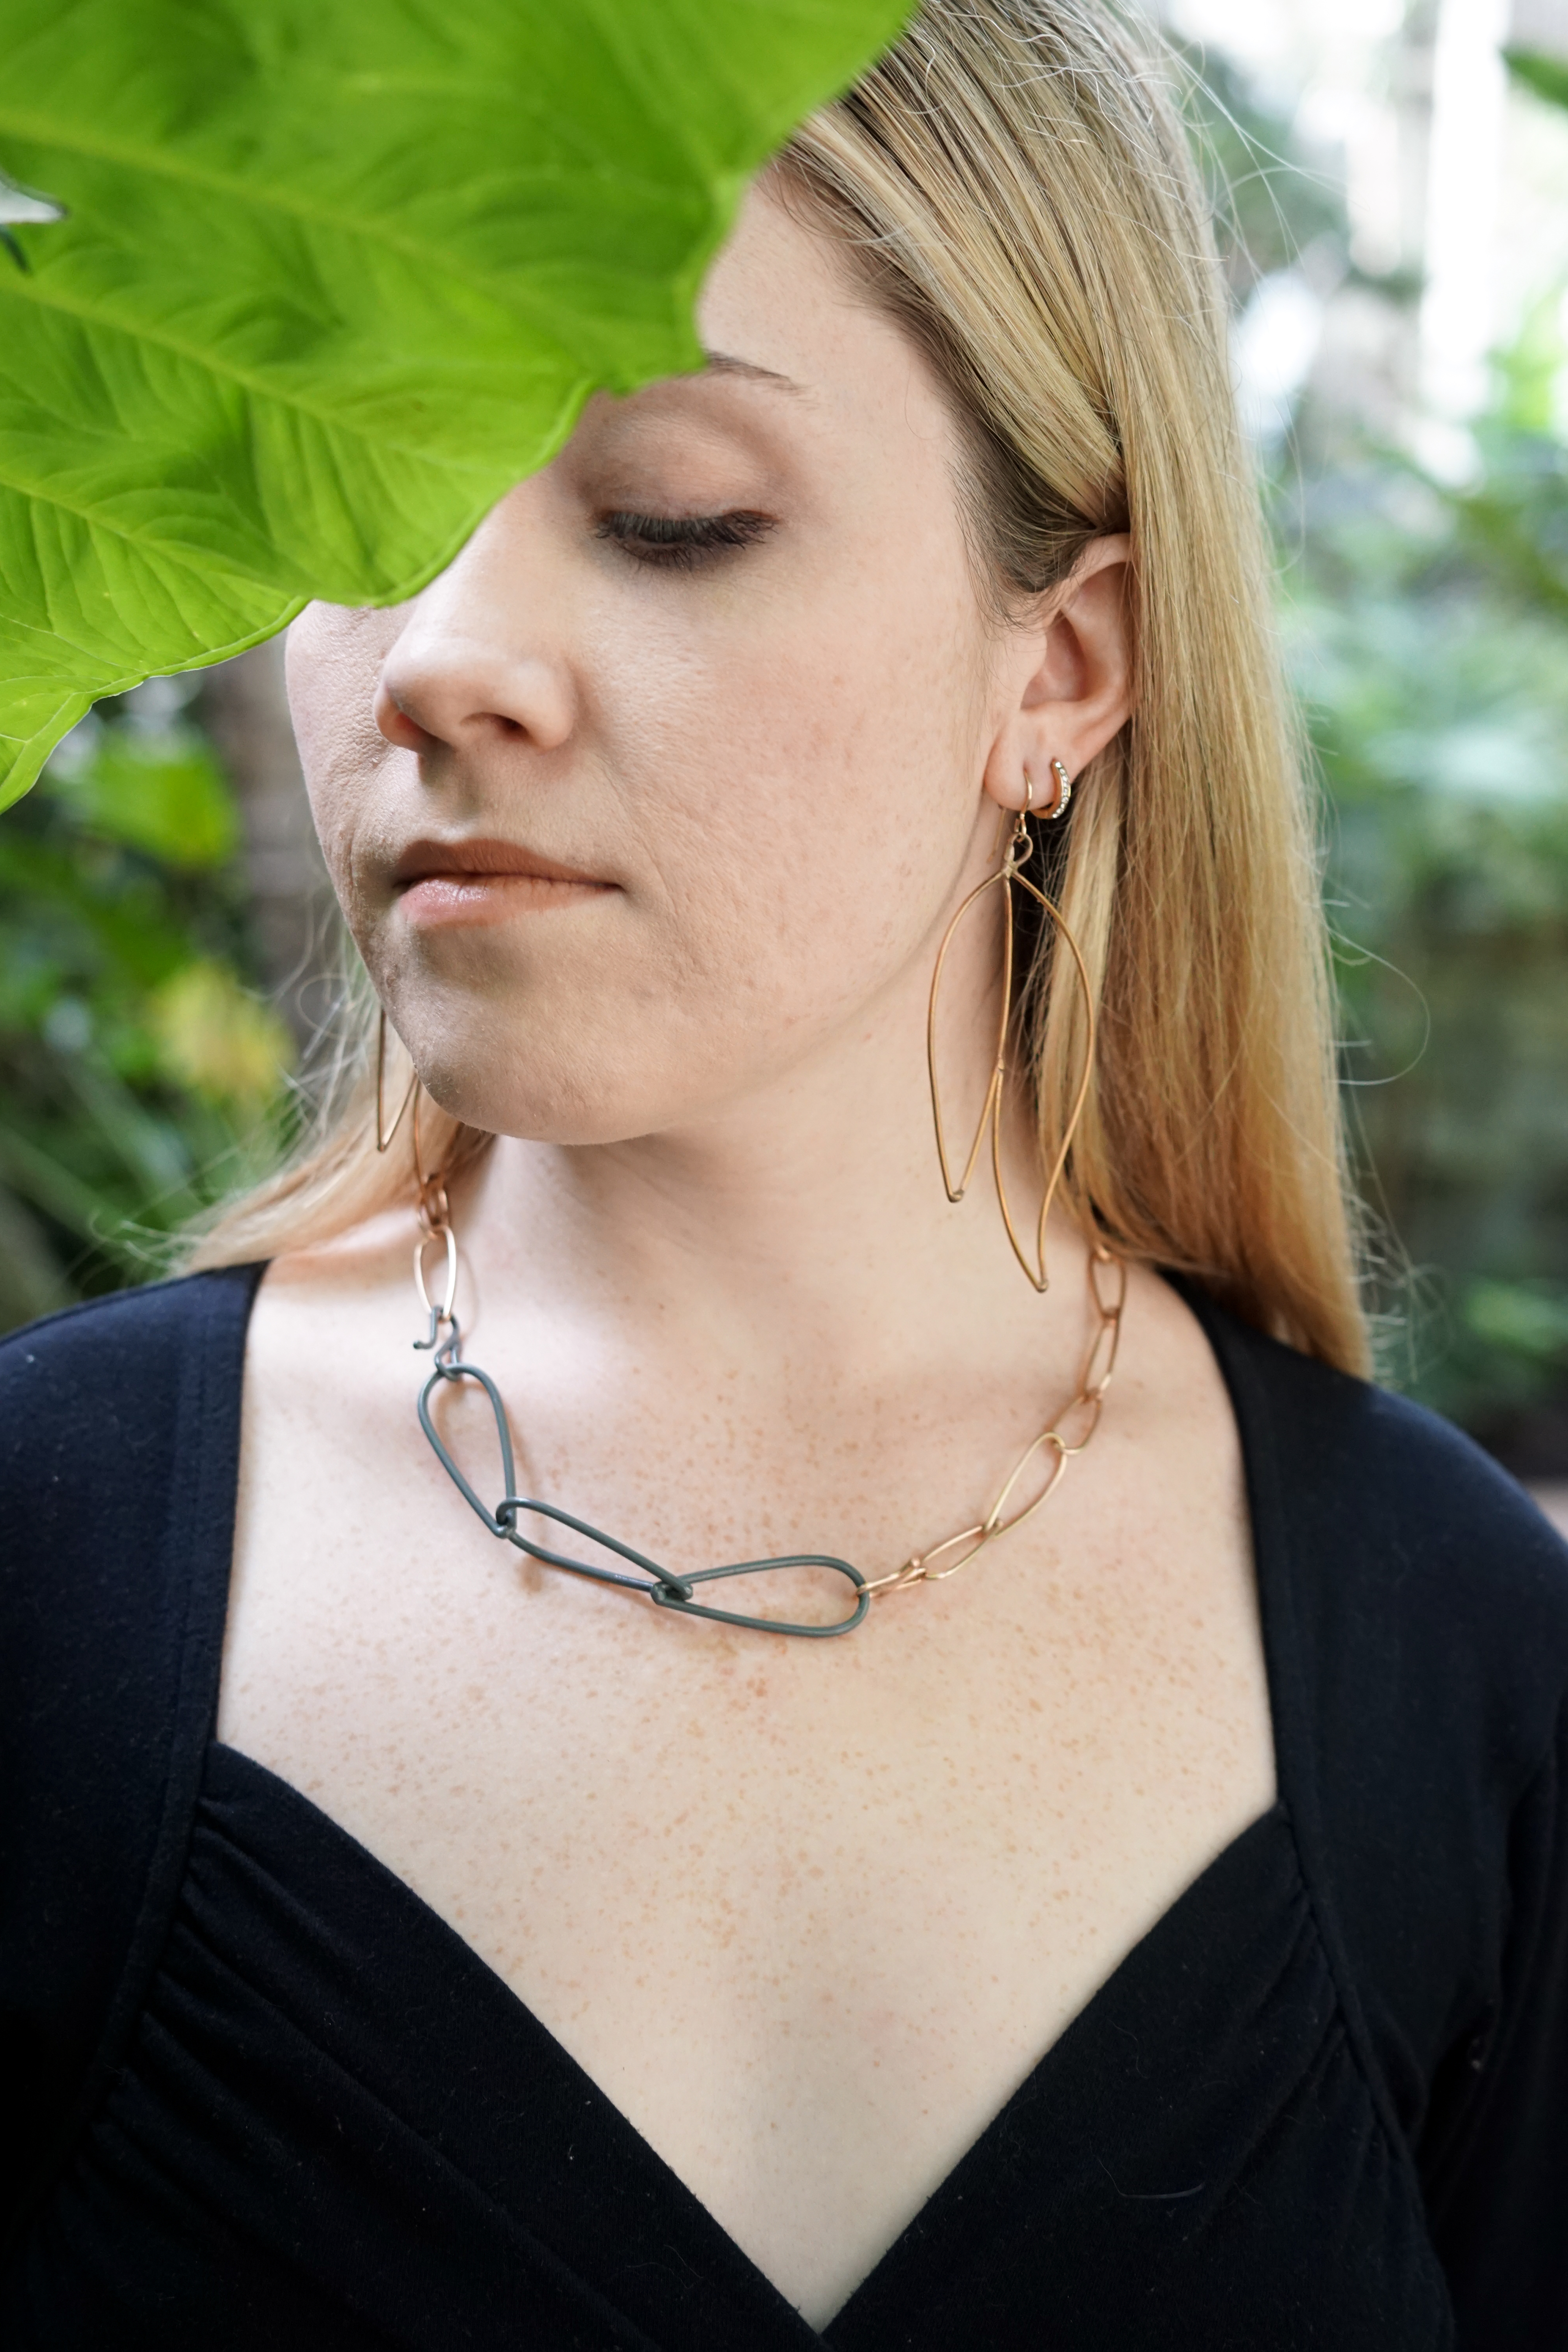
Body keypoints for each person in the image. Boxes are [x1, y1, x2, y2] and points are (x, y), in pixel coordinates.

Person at [3, 2, 1565, 2344]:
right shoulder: (39, 1568)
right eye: (346, 502)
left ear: (1065, 667)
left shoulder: (1467, 1674)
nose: (440, 657)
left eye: (673, 517)